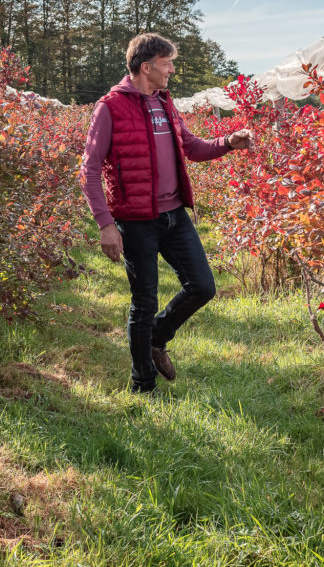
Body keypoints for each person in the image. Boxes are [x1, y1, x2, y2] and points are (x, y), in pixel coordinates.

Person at [80, 33, 253, 394]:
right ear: (146, 67)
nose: (172, 69)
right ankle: (143, 385)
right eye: (167, 63)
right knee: (144, 302)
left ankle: (157, 337)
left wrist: (226, 143)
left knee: (203, 287)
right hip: (136, 220)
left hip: (175, 215)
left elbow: (190, 146)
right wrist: (105, 225)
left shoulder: (165, 103)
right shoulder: (109, 108)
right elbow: (89, 169)